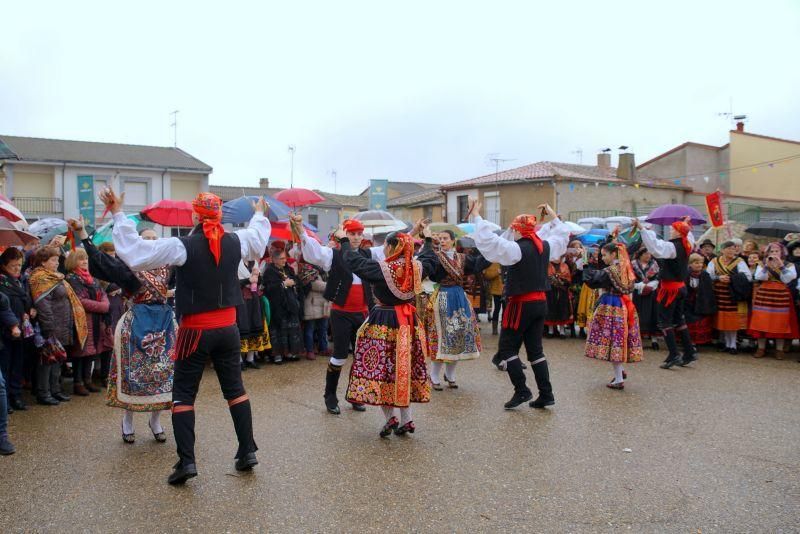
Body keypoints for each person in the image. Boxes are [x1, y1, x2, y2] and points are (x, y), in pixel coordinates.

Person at [104, 188, 270, 485]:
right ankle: (247, 451)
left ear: (195, 215)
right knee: (235, 390)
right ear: (219, 216)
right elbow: (257, 239)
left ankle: (187, 462)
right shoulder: (236, 240)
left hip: (196, 330)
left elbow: (136, 253)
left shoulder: (183, 246)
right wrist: (259, 213)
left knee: (183, 394)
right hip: (228, 328)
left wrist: (118, 212)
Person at [69, 218, 178, 445]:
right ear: (138, 242)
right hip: (136, 323)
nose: (150, 242)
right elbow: (101, 261)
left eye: (153, 239)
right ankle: (127, 420)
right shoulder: (130, 266)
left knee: (164, 374)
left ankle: (155, 421)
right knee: (131, 374)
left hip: (164, 325)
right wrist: (82, 234)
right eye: (145, 239)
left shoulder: (169, 265)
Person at [340, 226, 438, 437]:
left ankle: (390, 418)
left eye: (386, 244)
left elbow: (354, 262)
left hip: (384, 320)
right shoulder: (417, 267)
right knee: (404, 369)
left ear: (394, 246)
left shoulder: (382, 269)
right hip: (409, 323)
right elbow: (431, 258)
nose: (384, 248)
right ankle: (407, 419)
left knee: (383, 370)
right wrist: (428, 239)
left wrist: (344, 242)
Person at [471, 200, 570, 409]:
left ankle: (522, 390)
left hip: (521, 305)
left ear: (517, 230)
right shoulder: (544, 246)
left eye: (513, 229)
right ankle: (546, 394)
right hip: (540, 303)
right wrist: (552, 215)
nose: (511, 232)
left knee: (507, 350)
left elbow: (490, 242)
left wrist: (477, 216)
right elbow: (561, 234)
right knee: (535, 351)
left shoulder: (517, 249)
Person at [294, 216, 387, 416]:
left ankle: (356, 395)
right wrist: (301, 229)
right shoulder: (333, 255)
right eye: (352, 234)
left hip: (363, 313)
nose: (355, 237)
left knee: (361, 357)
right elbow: (313, 251)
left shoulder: (367, 253)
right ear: (344, 234)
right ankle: (330, 396)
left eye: (359, 234)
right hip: (341, 313)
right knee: (339, 356)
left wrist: (414, 233)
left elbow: (390, 249)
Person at [632, 217, 697, 369]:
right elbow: (689, 235)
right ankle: (689, 352)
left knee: (665, 321)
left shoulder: (673, 247)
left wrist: (642, 228)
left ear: (679, 232)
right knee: (679, 320)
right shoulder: (687, 243)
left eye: (673, 229)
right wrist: (686, 223)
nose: (670, 230)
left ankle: (674, 354)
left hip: (670, 290)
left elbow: (655, 248)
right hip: (680, 287)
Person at [424, 229, 482, 390]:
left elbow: (479, 264)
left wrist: (488, 244)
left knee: (459, 334)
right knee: (442, 336)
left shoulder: (462, 258)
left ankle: (450, 374)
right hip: (442, 296)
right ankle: (434, 375)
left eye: (445, 238)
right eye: (440, 238)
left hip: (459, 297)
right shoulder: (435, 258)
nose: (442, 241)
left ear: (453, 240)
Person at [29, 246, 87, 404]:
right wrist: (49, 328)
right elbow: (44, 307)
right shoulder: (40, 278)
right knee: (47, 361)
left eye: (57, 260)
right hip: (50, 327)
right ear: (43, 262)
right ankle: (44, 393)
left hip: (62, 325)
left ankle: (55, 390)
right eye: (53, 260)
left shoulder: (55, 277)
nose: (56, 263)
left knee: (58, 359)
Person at [583, 242, 643, 389]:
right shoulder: (626, 268)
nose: (602, 258)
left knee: (613, 341)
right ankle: (620, 372)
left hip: (611, 305)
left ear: (613, 254)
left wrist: (585, 263)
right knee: (618, 339)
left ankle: (618, 379)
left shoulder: (610, 271)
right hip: (624, 304)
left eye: (604, 255)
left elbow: (592, 280)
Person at [65, 248, 112, 396]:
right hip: (82, 320)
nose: (85, 261)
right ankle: (77, 382)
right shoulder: (72, 279)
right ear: (73, 261)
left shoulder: (91, 278)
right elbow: (81, 300)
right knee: (80, 353)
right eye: (80, 259)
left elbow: (102, 294)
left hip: (96, 320)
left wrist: (104, 305)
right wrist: (103, 307)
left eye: (85, 258)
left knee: (91, 352)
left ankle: (88, 379)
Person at [748, 242, 798, 359]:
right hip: (765, 293)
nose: (774, 253)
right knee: (761, 320)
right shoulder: (762, 263)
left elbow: (788, 279)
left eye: (777, 251)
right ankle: (761, 348)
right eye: (772, 251)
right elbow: (760, 277)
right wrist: (766, 266)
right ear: (768, 253)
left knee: (780, 321)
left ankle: (779, 350)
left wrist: (781, 266)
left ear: (782, 253)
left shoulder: (789, 265)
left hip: (780, 294)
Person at [0, 248, 35, 412]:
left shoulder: (22, 280)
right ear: (4, 265)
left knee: (18, 364)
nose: (17, 268)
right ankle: (5, 399)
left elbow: (26, 299)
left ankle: (16, 395)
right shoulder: (2, 281)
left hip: (21, 329)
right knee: (6, 365)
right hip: (5, 330)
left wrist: (29, 311)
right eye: (13, 265)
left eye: (19, 265)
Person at [707, 240, 752, 354]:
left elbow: (748, 277)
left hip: (733, 294)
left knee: (732, 319)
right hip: (719, 294)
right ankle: (725, 342)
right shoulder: (714, 261)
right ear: (722, 250)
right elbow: (707, 276)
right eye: (729, 248)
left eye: (733, 248)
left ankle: (733, 345)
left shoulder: (740, 261)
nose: (732, 251)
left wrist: (732, 279)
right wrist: (718, 278)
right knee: (722, 319)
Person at [262, 249, 303, 363]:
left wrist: (293, 282)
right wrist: (283, 284)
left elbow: (297, 280)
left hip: (290, 304)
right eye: (281, 259)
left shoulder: (288, 269)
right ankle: (277, 355)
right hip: (277, 305)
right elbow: (269, 288)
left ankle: (291, 352)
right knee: (278, 331)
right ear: (274, 259)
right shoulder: (269, 271)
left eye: (285, 258)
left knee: (292, 330)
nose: (284, 261)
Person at [237, 262, 271, 369]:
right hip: (240, 301)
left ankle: (250, 359)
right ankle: (239, 360)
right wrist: (248, 280)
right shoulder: (236, 262)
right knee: (241, 329)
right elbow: (231, 283)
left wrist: (257, 276)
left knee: (255, 328)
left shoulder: (253, 262)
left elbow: (260, 283)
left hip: (254, 300)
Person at [298, 261, 329, 360]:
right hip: (311, 305)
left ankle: (323, 348)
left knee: (323, 329)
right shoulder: (307, 268)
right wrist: (331, 285)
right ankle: (309, 350)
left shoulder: (323, 270)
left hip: (322, 305)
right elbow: (314, 284)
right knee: (309, 330)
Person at [684, 253, 717, 346]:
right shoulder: (686, 274)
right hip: (688, 304)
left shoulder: (705, 275)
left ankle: (696, 342)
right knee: (688, 322)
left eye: (700, 263)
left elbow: (708, 291)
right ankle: (688, 342)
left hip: (701, 303)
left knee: (699, 322)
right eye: (696, 263)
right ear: (690, 264)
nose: (699, 265)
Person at [631, 248, 660, 350]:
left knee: (652, 314)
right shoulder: (633, 264)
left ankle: (654, 340)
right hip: (637, 293)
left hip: (651, 293)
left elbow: (658, 277)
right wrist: (638, 285)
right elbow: (630, 277)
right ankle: (637, 339)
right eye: (646, 254)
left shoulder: (654, 264)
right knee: (638, 314)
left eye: (649, 254)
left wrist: (651, 285)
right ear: (640, 254)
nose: (648, 256)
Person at [575, 246, 601, 338]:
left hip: (597, 287)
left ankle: (595, 329)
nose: (596, 252)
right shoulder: (587, 261)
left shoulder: (602, 262)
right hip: (587, 287)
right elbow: (578, 268)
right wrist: (583, 256)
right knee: (584, 306)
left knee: (596, 307)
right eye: (594, 250)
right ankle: (582, 329)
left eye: (598, 250)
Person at [544, 256, 572, 338]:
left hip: (562, 291)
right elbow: (545, 277)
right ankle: (550, 331)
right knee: (550, 309)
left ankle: (562, 331)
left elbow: (568, 279)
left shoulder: (565, 266)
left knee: (562, 309)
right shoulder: (547, 265)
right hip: (550, 292)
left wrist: (561, 280)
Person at [483, 262, 504, 335]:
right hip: (496, 291)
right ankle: (494, 329)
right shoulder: (493, 263)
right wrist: (497, 272)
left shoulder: (508, 262)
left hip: (507, 290)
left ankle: (504, 328)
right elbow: (487, 275)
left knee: (506, 309)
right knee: (497, 309)